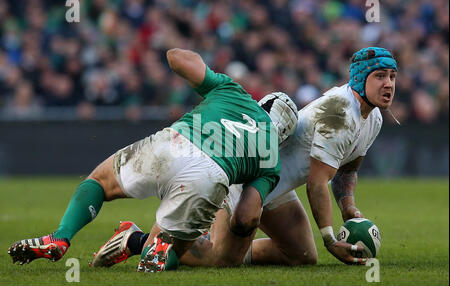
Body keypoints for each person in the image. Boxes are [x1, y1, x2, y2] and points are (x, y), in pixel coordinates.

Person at [90, 46, 397, 267]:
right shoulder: (340, 113)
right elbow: (317, 184)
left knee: (301, 257)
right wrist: (331, 240)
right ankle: (135, 239)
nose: (389, 84)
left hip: (276, 188)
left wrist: (349, 208)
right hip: (249, 177)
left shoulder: (374, 118)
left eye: (393, 77)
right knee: (220, 259)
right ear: (360, 79)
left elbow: (346, 171)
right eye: (380, 76)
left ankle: (232, 242)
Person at [7, 48, 300, 272]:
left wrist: (190, 57)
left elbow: (176, 58)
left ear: (261, 102)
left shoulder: (234, 92)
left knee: (100, 181)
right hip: (210, 178)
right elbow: (247, 217)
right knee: (174, 251)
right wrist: (231, 226)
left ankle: (61, 236)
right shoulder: (271, 155)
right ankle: (151, 248)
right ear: (284, 134)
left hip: (173, 144)